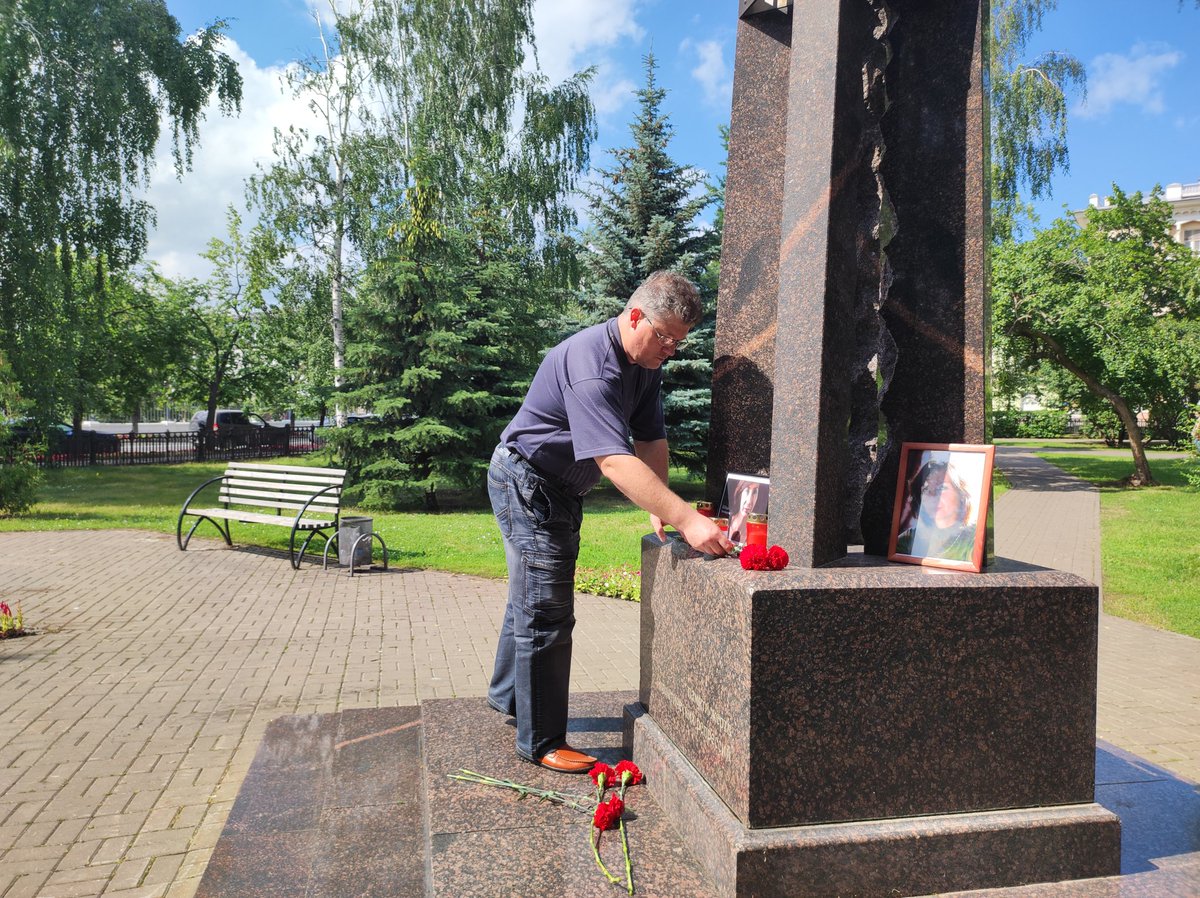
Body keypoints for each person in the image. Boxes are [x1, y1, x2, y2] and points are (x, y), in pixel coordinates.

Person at [486, 271, 735, 773]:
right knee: (547, 610)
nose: (670, 349)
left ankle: (509, 696)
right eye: (663, 336)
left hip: (555, 486)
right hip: (527, 482)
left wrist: (658, 502)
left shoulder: (644, 364)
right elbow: (615, 461)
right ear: (634, 316)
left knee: (529, 595)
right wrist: (687, 519)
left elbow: (651, 442)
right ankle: (540, 742)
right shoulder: (593, 366)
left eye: (678, 342)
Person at [895, 458, 976, 562]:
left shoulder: (974, 540)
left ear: (960, 493)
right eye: (926, 489)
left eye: (941, 488)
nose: (932, 496)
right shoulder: (907, 540)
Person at [727, 479, 759, 545]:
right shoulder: (724, 523)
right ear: (738, 492)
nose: (749, 502)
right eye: (747, 491)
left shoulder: (756, 534)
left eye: (755, 492)